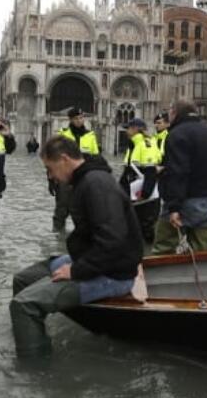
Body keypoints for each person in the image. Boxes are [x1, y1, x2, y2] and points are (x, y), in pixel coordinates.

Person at [10, 135, 143, 356]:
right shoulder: (84, 181)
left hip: (114, 273)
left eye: (50, 169)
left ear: (64, 159)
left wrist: (75, 271)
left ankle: (34, 373)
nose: (51, 176)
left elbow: (113, 241)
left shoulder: (96, 184)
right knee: (22, 279)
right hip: (91, 260)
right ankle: (25, 333)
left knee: (24, 306)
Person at [151, 100, 207, 255]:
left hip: (183, 203)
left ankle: (164, 277)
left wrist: (173, 207)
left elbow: (178, 173)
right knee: (202, 252)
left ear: (174, 113)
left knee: (163, 248)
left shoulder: (177, 135)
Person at [51, 107, 100, 230]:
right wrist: (51, 178)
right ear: (71, 120)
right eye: (76, 118)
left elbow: (96, 158)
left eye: (81, 118)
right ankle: (58, 238)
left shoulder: (90, 135)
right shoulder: (62, 134)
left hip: (85, 178)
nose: (79, 120)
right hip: (66, 178)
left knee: (85, 210)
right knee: (61, 210)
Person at [118, 118, 162, 244]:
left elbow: (150, 172)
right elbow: (128, 172)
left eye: (129, 128)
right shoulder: (134, 145)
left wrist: (144, 195)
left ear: (136, 129)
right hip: (133, 196)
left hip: (144, 199)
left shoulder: (146, 144)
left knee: (146, 230)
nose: (126, 131)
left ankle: (147, 258)